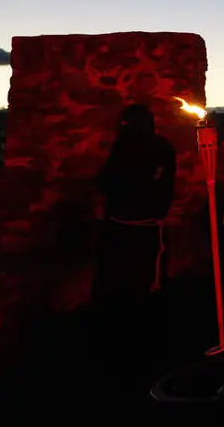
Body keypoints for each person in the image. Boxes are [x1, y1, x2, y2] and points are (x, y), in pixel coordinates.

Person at [91, 103, 176, 360]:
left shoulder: (126, 147)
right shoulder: (163, 148)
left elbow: (104, 184)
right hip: (146, 229)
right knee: (146, 286)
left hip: (125, 231)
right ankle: (145, 346)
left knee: (122, 287)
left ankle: (120, 347)